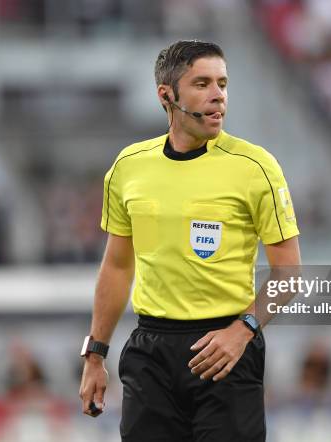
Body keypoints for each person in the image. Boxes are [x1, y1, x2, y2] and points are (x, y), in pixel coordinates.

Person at [78, 39, 301, 442]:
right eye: (202, 83)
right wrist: (95, 353)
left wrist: (243, 330)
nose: (218, 95)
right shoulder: (128, 168)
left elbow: (289, 273)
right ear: (167, 96)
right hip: (151, 352)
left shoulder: (255, 167)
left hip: (227, 350)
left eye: (223, 83)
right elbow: (117, 266)